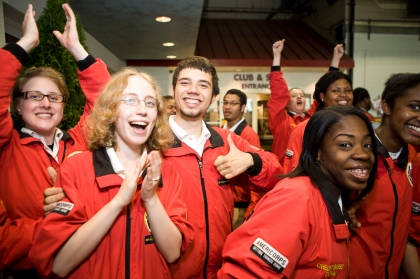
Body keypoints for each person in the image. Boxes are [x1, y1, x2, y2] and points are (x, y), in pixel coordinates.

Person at [41, 55, 283, 278]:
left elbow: (278, 173)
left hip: (218, 269)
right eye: (185, 83)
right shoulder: (152, 147)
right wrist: (69, 191)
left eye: (203, 85)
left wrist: (252, 161)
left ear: (214, 97)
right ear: (173, 91)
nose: (193, 91)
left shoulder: (227, 142)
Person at [29, 67, 193, 279]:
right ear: (111, 109)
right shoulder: (77, 168)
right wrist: (118, 203)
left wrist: (151, 200)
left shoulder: (167, 172)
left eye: (150, 102)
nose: (143, 109)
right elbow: (59, 265)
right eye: (131, 100)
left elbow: (172, 253)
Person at [0, 4, 109, 278]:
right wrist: (25, 43)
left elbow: (107, 101)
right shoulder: (6, 147)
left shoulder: (80, 141)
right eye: (34, 96)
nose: (45, 103)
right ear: (17, 106)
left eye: (54, 96)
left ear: (63, 105)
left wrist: (78, 51)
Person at [218, 106, 378, 278]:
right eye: (345, 145)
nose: (363, 154)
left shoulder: (332, 198)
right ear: (317, 152)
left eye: (367, 145)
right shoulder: (297, 198)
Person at [348, 73, 420, 279]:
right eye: (414, 106)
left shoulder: (411, 159)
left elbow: (403, 234)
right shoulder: (355, 157)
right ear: (387, 107)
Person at [268, 40, 344, 164]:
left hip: (310, 171)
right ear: (286, 102)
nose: (299, 97)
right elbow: (278, 94)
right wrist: (277, 56)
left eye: (301, 95)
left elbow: (326, 89)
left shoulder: (312, 117)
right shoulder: (280, 120)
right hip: (285, 171)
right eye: (293, 96)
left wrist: (336, 59)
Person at [283, 70, 354, 173]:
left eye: (348, 90)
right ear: (322, 96)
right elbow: (292, 170)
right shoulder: (305, 129)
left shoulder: (358, 126)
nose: (343, 95)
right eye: (336, 91)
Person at [221, 89, 265, 228]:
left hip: (239, 203)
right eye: (226, 103)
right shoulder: (221, 130)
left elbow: (255, 175)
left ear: (243, 107)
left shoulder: (248, 135)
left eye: (233, 103)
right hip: (222, 198)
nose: (228, 107)